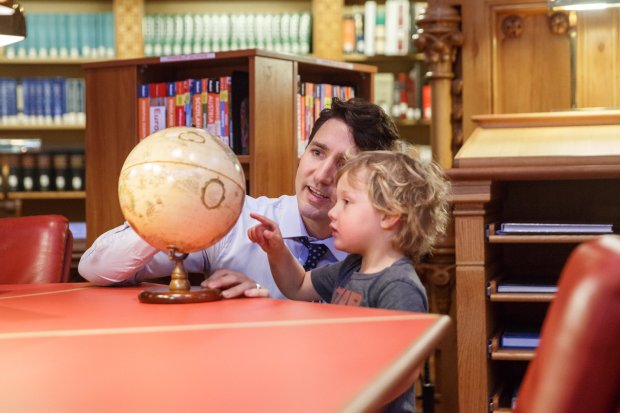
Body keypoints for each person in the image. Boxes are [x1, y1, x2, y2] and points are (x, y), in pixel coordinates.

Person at [78, 98, 401, 299]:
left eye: (344, 164)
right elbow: (96, 268)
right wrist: (174, 208)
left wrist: (265, 303)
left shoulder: (376, 259)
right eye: (317, 152)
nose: (322, 175)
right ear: (302, 154)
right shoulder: (232, 217)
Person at [247, 150, 451, 412]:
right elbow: (297, 286)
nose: (333, 212)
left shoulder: (399, 287)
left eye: (346, 202)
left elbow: (402, 373)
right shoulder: (351, 267)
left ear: (389, 216)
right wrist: (277, 250)